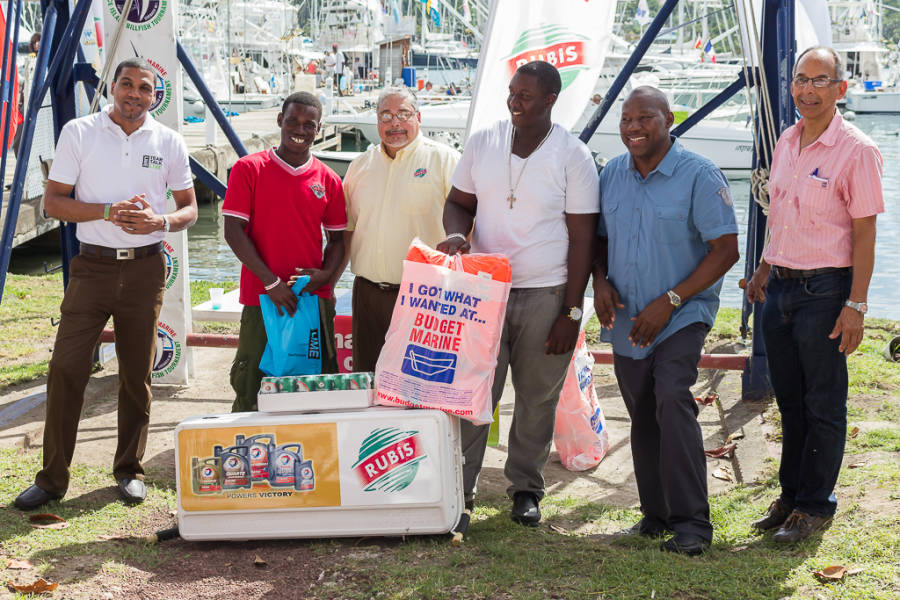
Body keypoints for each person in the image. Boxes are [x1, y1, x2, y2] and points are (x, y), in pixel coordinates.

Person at [13, 58, 197, 511]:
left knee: (136, 374)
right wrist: (107, 211)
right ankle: (53, 479)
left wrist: (162, 220)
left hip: (144, 269)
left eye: (145, 88)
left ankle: (129, 470)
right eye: (127, 84)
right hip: (91, 269)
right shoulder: (80, 131)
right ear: (112, 87)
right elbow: (54, 203)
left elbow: (189, 207)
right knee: (66, 369)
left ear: (156, 95)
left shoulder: (169, 140)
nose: (135, 94)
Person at [437, 61, 598, 526]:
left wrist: (572, 310)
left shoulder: (573, 154)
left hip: (546, 292)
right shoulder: (483, 141)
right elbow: (458, 203)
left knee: (536, 397)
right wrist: (456, 234)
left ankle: (525, 488)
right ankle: (460, 488)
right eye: (511, 93)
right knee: (474, 392)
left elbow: (584, 239)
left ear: (550, 100)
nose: (514, 101)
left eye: (525, 96)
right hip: (484, 290)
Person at [593, 86, 739, 555]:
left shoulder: (699, 174)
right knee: (643, 415)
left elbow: (726, 250)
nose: (633, 128)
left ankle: (693, 525)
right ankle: (655, 516)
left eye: (645, 118)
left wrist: (672, 300)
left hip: (682, 314)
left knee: (672, 399)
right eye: (626, 120)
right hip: (626, 318)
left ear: (669, 119)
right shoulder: (612, 173)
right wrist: (600, 282)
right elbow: (596, 239)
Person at [746, 46, 883, 543]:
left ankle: (815, 506)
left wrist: (856, 306)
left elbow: (865, 235)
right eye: (801, 79)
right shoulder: (787, 140)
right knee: (789, 400)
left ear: (840, 89)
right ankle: (791, 495)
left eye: (820, 81)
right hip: (780, 286)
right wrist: (763, 266)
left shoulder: (858, 150)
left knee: (823, 402)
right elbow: (779, 213)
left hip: (826, 290)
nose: (807, 89)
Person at [222, 92, 346, 413]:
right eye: (292, 120)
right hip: (261, 298)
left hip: (310, 301)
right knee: (252, 383)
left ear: (318, 129)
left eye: (309, 124)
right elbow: (233, 231)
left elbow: (337, 241)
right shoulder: (249, 169)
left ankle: (310, 454)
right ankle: (249, 455)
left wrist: (326, 276)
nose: (299, 129)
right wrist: (271, 283)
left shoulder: (329, 180)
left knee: (315, 384)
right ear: (280, 120)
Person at [339, 87, 460, 372]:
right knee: (369, 380)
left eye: (403, 114)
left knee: (421, 384)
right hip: (367, 295)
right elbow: (347, 230)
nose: (395, 123)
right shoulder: (359, 167)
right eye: (386, 116)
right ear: (377, 122)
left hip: (426, 297)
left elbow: (466, 230)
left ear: (418, 117)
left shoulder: (444, 160)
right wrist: (331, 284)